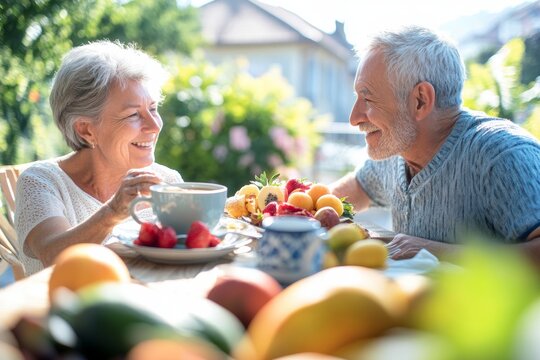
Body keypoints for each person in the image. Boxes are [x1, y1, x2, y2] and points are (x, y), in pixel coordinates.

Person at [330, 26, 540, 264]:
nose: (354, 118)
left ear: (420, 100)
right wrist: (296, 208)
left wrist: (435, 251)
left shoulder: (503, 155)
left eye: (367, 99)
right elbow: (349, 193)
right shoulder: (397, 151)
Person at [14, 41, 183, 275]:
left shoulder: (167, 180)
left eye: (153, 109)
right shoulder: (41, 182)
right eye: (134, 114)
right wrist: (112, 212)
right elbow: (54, 258)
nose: (154, 126)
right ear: (86, 130)